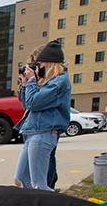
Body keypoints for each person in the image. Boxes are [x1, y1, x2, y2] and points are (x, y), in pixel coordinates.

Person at [13, 41, 70, 191]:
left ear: (49, 63)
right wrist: (25, 84)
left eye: (39, 64)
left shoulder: (59, 82)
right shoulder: (47, 82)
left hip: (43, 133)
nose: (38, 68)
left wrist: (32, 81)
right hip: (33, 132)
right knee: (21, 180)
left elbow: (34, 103)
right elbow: (27, 106)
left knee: (39, 185)